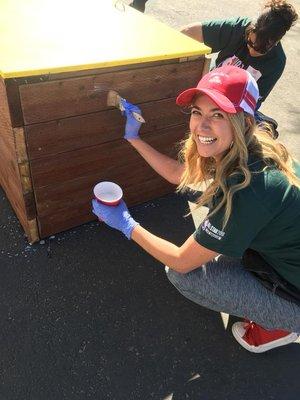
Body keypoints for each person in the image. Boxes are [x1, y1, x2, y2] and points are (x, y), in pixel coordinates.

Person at [92, 65, 300, 353]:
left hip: (296, 292)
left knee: (184, 277)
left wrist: (126, 223)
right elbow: (181, 175)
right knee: (224, 242)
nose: (202, 126)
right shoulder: (253, 149)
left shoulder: (251, 190)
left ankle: (280, 324)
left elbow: (180, 261)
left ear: (245, 123)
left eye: (218, 115)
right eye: (197, 112)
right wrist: (134, 138)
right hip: (283, 258)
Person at [180, 0, 298, 138]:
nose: (252, 51)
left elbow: (252, 104)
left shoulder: (276, 62)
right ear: (250, 29)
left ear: (276, 43)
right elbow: (186, 33)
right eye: (250, 42)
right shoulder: (237, 28)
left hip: (236, 108)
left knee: (262, 134)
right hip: (210, 91)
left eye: (261, 49)